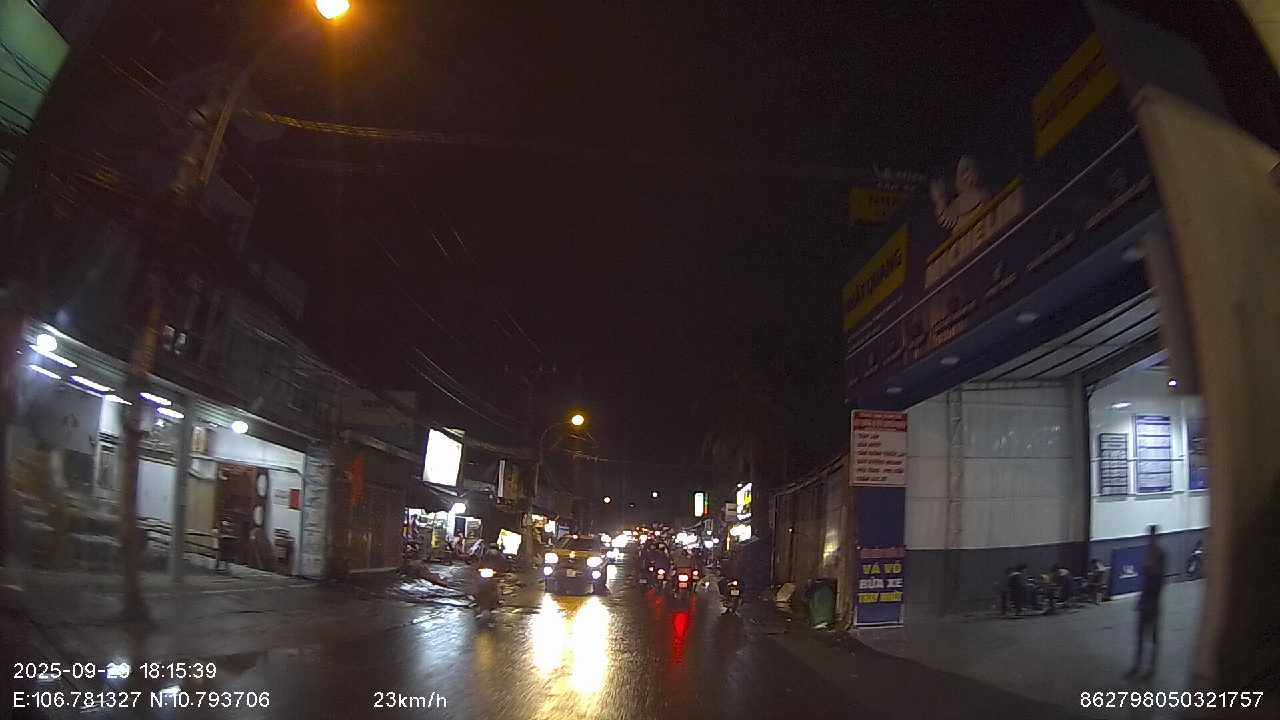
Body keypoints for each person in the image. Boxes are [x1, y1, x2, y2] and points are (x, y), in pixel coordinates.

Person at [1128, 525, 1167, 678]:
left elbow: (1159, 579)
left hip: (1153, 601)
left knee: (1152, 636)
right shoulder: (1149, 553)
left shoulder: (1160, 554)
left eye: (1151, 536)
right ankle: (1137, 666)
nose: (1149, 539)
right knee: (1140, 635)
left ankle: (1150, 669)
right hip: (1145, 599)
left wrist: (1150, 570)